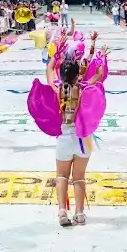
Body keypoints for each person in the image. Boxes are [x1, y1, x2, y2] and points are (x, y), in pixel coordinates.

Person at [45, 52, 105, 226]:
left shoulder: (57, 89)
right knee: (79, 177)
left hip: (64, 138)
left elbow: (49, 70)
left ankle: (62, 212)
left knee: (61, 176)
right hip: (83, 140)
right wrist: (100, 60)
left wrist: (56, 55)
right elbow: (99, 76)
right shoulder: (84, 88)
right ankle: (79, 214)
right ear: (77, 75)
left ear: (61, 74)